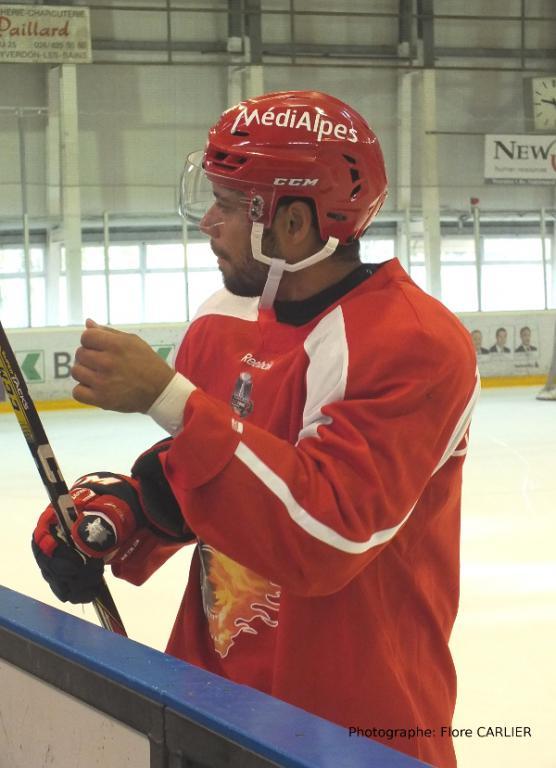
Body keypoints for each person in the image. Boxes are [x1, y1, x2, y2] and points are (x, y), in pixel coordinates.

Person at [32, 90, 479, 768]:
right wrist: (126, 512)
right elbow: (217, 477)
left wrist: (168, 398)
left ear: (292, 223)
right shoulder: (221, 320)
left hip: (354, 730)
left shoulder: (414, 343)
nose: (208, 222)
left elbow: (327, 533)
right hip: (210, 702)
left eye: (229, 204)